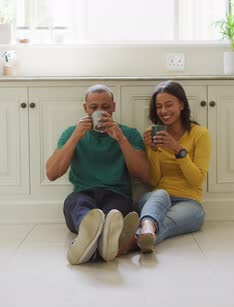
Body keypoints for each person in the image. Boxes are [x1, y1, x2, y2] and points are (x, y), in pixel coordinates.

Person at [46, 85, 149, 265]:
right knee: (79, 205)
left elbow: (144, 175)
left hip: (117, 194)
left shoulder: (129, 134)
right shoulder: (71, 133)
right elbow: (52, 173)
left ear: (114, 107)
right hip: (83, 193)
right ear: (85, 108)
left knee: (113, 214)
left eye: (106, 106)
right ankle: (100, 237)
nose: (100, 111)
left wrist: (121, 139)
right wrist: (76, 137)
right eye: (94, 107)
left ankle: (89, 243)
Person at [136, 81, 211, 253]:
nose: (163, 111)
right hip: (156, 199)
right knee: (161, 194)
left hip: (189, 202)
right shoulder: (154, 132)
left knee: (191, 216)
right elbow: (154, 181)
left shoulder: (200, 134)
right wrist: (153, 150)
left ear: (181, 105)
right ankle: (146, 228)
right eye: (159, 106)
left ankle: (139, 236)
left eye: (169, 105)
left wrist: (178, 150)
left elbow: (196, 180)